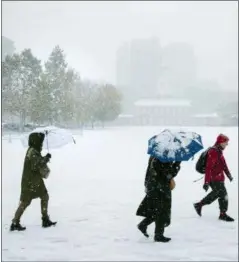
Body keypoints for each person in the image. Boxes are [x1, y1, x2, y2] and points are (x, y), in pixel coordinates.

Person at [10, 132, 57, 231]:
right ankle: (15, 222)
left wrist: (44, 158)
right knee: (25, 202)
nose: (41, 144)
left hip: (34, 181)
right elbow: (35, 166)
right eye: (40, 141)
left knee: (44, 196)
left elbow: (37, 162)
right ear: (36, 141)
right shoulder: (32, 152)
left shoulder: (34, 151)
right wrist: (45, 159)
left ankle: (45, 219)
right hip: (30, 182)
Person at [136, 156, 181, 242]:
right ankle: (158, 235)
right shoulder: (163, 158)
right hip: (160, 188)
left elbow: (150, 171)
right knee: (161, 211)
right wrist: (177, 164)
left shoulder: (155, 156)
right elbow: (169, 175)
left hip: (154, 186)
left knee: (156, 210)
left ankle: (143, 225)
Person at [193, 134, 234, 222]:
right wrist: (206, 182)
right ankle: (222, 214)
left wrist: (228, 174)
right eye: (225, 143)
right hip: (214, 179)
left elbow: (223, 164)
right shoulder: (213, 152)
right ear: (220, 142)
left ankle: (199, 205)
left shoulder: (219, 151)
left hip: (219, 178)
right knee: (223, 195)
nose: (226, 145)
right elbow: (208, 168)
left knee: (219, 194)